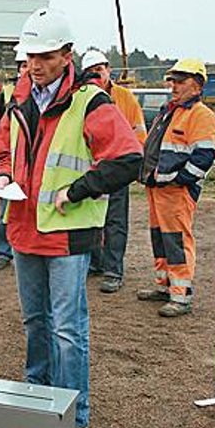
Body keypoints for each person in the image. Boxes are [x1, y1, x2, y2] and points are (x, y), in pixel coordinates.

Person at [0, 8, 142, 428]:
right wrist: (3, 172)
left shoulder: (90, 101)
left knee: (66, 329)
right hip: (23, 227)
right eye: (29, 57)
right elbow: (4, 143)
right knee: (34, 321)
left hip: (67, 235)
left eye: (44, 56)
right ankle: (38, 395)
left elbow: (128, 160)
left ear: (66, 55)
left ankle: (73, 415)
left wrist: (77, 190)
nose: (34, 65)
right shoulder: (19, 97)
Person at [137, 58, 215, 317]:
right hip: (157, 188)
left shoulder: (201, 115)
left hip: (175, 191)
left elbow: (203, 158)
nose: (173, 86)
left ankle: (181, 296)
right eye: (172, 81)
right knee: (160, 239)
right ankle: (165, 285)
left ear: (197, 85)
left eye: (180, 81)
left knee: (176, 241)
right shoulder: (169, 110)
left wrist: (179, 180)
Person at [82, 49, 147, 294]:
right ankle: (96, 263)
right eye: (91, 71)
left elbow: (139, 132)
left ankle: (113, 270)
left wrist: (133, 166)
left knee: (115, 221)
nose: (97, 74)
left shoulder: (124, 98)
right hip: (93, 170)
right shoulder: (83, 96)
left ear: (108, 69)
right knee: (92, 219)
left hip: (117, 169)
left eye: (100, 68)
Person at [0, 50, 28, 272]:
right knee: (7, 209)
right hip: (12, 161)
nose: (26, 69)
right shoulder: (9, 94)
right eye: (22, 65)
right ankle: (3, 251)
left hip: (34, 163)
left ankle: (23, 251)